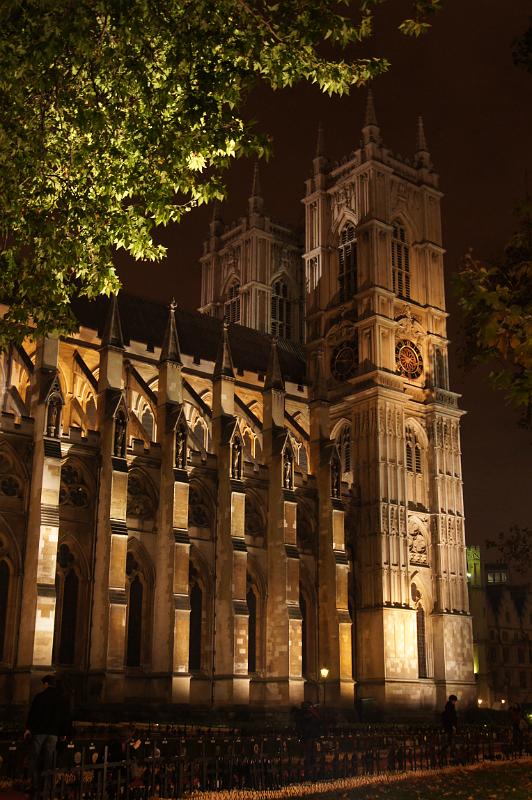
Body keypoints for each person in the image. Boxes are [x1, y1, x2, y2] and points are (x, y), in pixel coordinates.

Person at [24, 675, 70, 799]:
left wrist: (28, 728)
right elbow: (65, 717)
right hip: (53, 733)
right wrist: (64, 733)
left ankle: (34, 784)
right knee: (49, 760)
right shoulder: (61, 699)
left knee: (35, 757)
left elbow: (32, 714)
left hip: (39, 732)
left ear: (45, 684)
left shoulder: (40, 697)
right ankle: (47, 786)